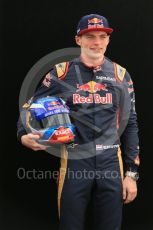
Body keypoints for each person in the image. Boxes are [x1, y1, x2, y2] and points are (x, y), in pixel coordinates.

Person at [17, 14, 140, 230]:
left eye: (102, 36)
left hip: (110, 163)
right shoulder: (61, 73)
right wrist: (23, 134)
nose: (97, 42)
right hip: (74, 162)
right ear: (78, 40)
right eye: (90, 36)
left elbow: (130, 124)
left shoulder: (121, 76)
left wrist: (131, 174)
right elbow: (30, 106)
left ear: (108, 40)